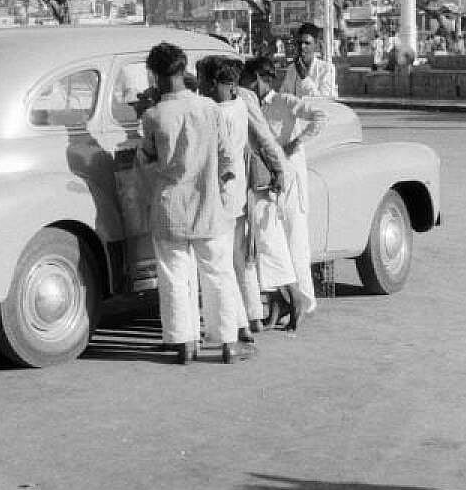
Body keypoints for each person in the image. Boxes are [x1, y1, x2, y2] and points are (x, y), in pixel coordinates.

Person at [136, 42, 243, 364]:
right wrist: (221, 187)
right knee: (218, 274)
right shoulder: (209, 108)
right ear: (184, 70)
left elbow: (147, 159)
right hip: (208, 206)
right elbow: (228, 158)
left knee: (174, 276)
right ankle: (228, 343)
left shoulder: (153, 115)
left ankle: (183, 343)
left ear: (154, 74)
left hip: (170, 208)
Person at [200, 55, 286, 343]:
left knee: (225, 260)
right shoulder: (241, 102)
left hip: (225, 189)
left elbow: (262, 138)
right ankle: (252, 315)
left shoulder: (214, 110)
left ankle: (240, 322)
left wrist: (277, 168)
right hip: (239, 188)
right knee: (240, 256)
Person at [251, 57, 328, 324]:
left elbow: (320, 116)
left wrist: (296, 142)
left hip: (291, 178)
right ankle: (281, 303)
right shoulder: (253, 107)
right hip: (268, 179)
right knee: (273, 245)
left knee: (295, 240)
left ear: (260, 79)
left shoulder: (284, 102)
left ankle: (304, 302)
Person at [282, 22, 337, 98]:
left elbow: (324, 101)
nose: (302, 46)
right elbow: (283, 96)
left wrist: (304, 78)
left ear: (316, 44)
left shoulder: (327, 69)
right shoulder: (292, 69)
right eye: (299, 43)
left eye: (307, 43)